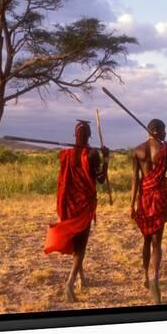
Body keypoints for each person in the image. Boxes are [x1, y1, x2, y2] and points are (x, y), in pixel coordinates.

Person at [44, 120, 109, 303]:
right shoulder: (92, 154)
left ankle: (82, 279)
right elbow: (101, 179)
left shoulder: (66, 155)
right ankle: (70, 282)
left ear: (75, 136)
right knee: (81, 246)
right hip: (84, 206)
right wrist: (106, 159)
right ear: (89, 136)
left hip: (69, 205)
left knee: (77, 243)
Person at [130, 119, 167, 304]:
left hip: (143, 199)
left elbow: (135, 180)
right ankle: (154, 278)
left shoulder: (138, 149)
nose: (166, 134)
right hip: (158, 198)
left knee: (146, 240)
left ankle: (145, 276)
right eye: (164, 130)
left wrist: (131, 205)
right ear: (156, 131)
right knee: (157, 243)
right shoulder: (165, 149)